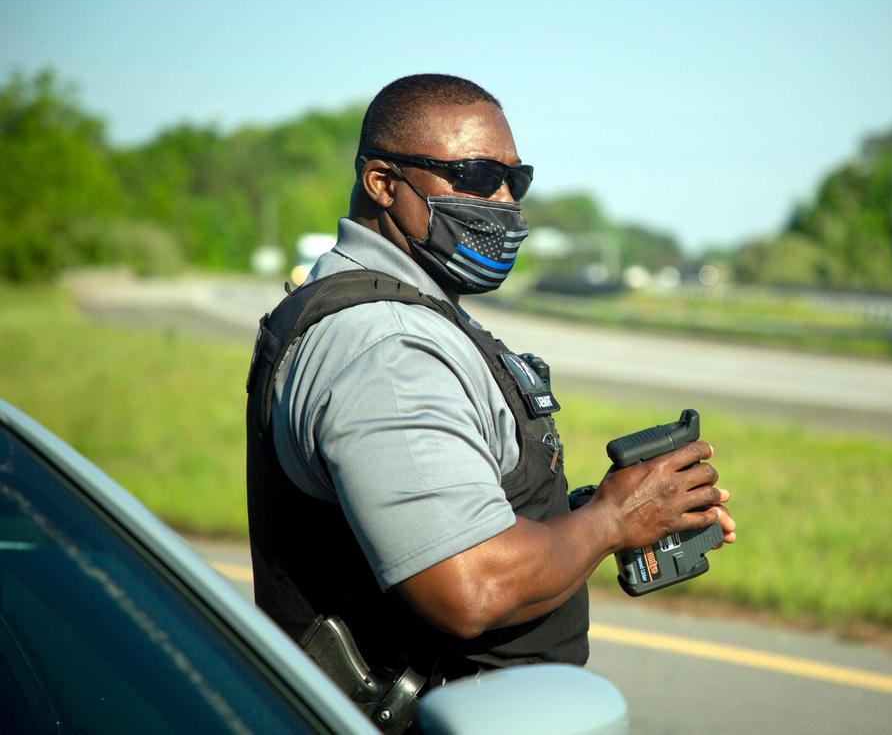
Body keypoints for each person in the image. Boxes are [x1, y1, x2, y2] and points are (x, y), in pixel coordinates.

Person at [246, 74, 735, 692]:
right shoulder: (389, 349)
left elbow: (438, 518)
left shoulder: (401, 312)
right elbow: (469, 586)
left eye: (515, 179)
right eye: (476, 176)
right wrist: (614, 519)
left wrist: (592, 514)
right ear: (383, 183)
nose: (504, 200)